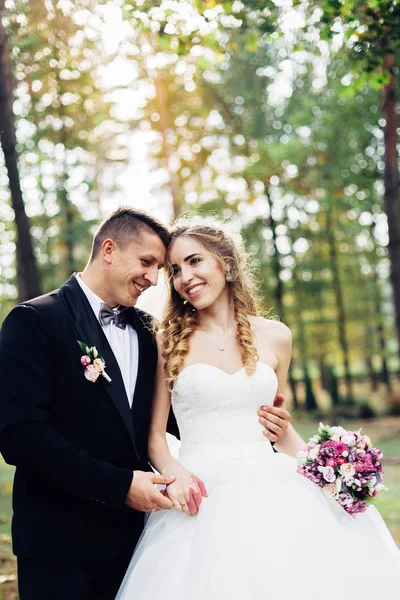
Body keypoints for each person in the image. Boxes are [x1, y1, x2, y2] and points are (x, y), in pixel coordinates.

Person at [0, 207, 290, 600]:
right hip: (61, 546)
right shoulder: (34, 320)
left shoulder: (148, 331)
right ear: (108, 249)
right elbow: (20, 436)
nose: (155, 280)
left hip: (134, 542)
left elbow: (175, 416)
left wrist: (266, 424)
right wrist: (120, 485)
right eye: (149, 263)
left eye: (160, 268)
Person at [116, 217, 400, 600]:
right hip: (200, 495)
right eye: (176, 270)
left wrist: (336, 471)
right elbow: (154, 438)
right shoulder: (167, 342)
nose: (185, 277)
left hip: (274, 487)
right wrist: (175, 472)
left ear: (227, 264)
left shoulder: (277, 337)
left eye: (195, 261)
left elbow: (279, 432)